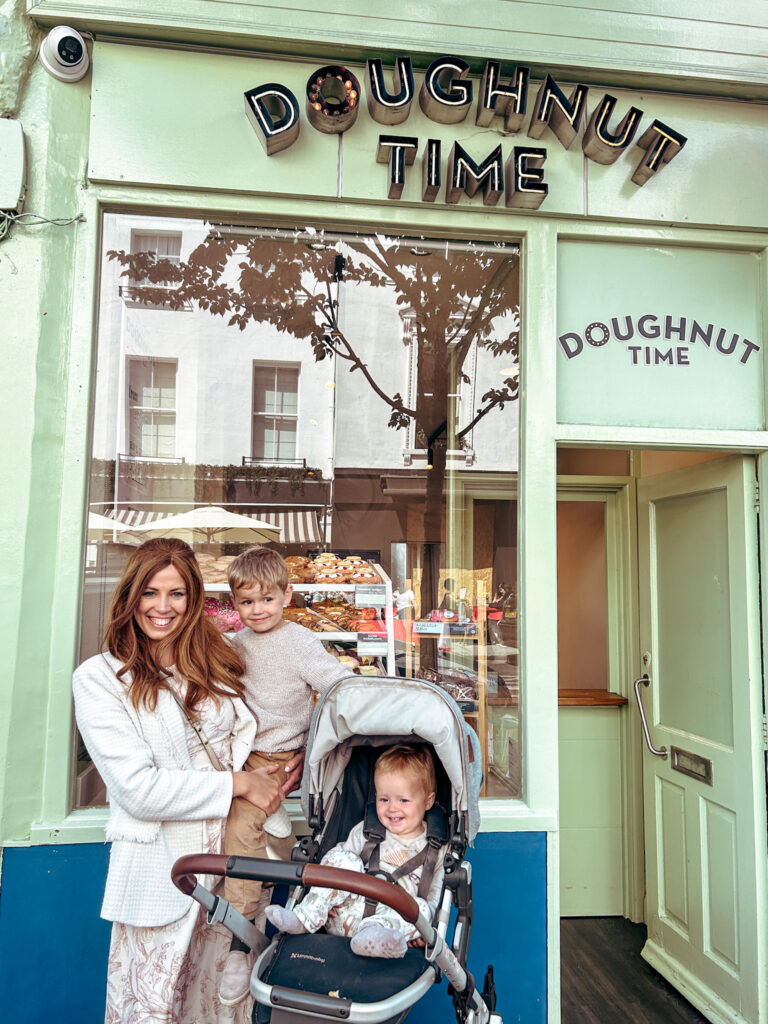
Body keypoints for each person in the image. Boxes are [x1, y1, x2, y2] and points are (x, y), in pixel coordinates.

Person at [72, 537, 302, 1024]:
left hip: (234, 866)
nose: (163, 607)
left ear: (194, 599)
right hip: (165, 875)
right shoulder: (100, 678)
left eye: (176, 593)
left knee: (224, 1009)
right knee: (156, 1011)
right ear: (130, 596)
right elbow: (138, 789)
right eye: (150, 592)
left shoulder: (214, 659)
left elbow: (265, 717)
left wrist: (291, 757)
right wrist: (239, 785)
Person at [220, 546, 349, 1002]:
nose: (258, 610)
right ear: (234, 604)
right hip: (243, 755)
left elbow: (337, 689)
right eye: (246, 602)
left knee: (241, 825)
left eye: (267, 599)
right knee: (252, 832)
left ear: (287, 595)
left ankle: (238, 940)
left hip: (283, 755)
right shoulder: (234, 646)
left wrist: (313, 748)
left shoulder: (300, 642)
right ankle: (266, 870)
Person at [265, 745, 445, 959]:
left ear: (428, 801)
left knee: (423, 910)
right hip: (346, 913)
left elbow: (434, 900)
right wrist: (327, 894)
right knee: (342, 857)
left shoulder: (435, 848)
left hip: (390, 924)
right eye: (383, 799)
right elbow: (336, 863)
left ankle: (372, 935)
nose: (392, 808)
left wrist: (422, 931)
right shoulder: (367, 831)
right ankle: (305, 917)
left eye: (403, 800)